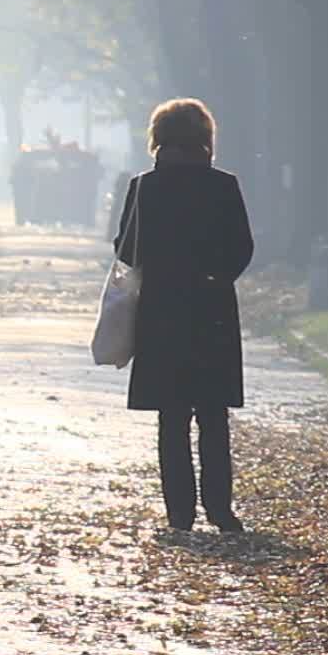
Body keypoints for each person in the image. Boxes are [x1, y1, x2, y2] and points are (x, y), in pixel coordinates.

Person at [113, 98, 254, 533]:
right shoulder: (223, 185)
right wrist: (215, 276)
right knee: (213, 414)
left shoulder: (145, 187)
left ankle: (180, 511)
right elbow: (242, 247)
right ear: (205, 139)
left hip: (162, 309)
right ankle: (220, 507)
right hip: (211, 309)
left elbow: (124, 249)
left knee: (171, 416)